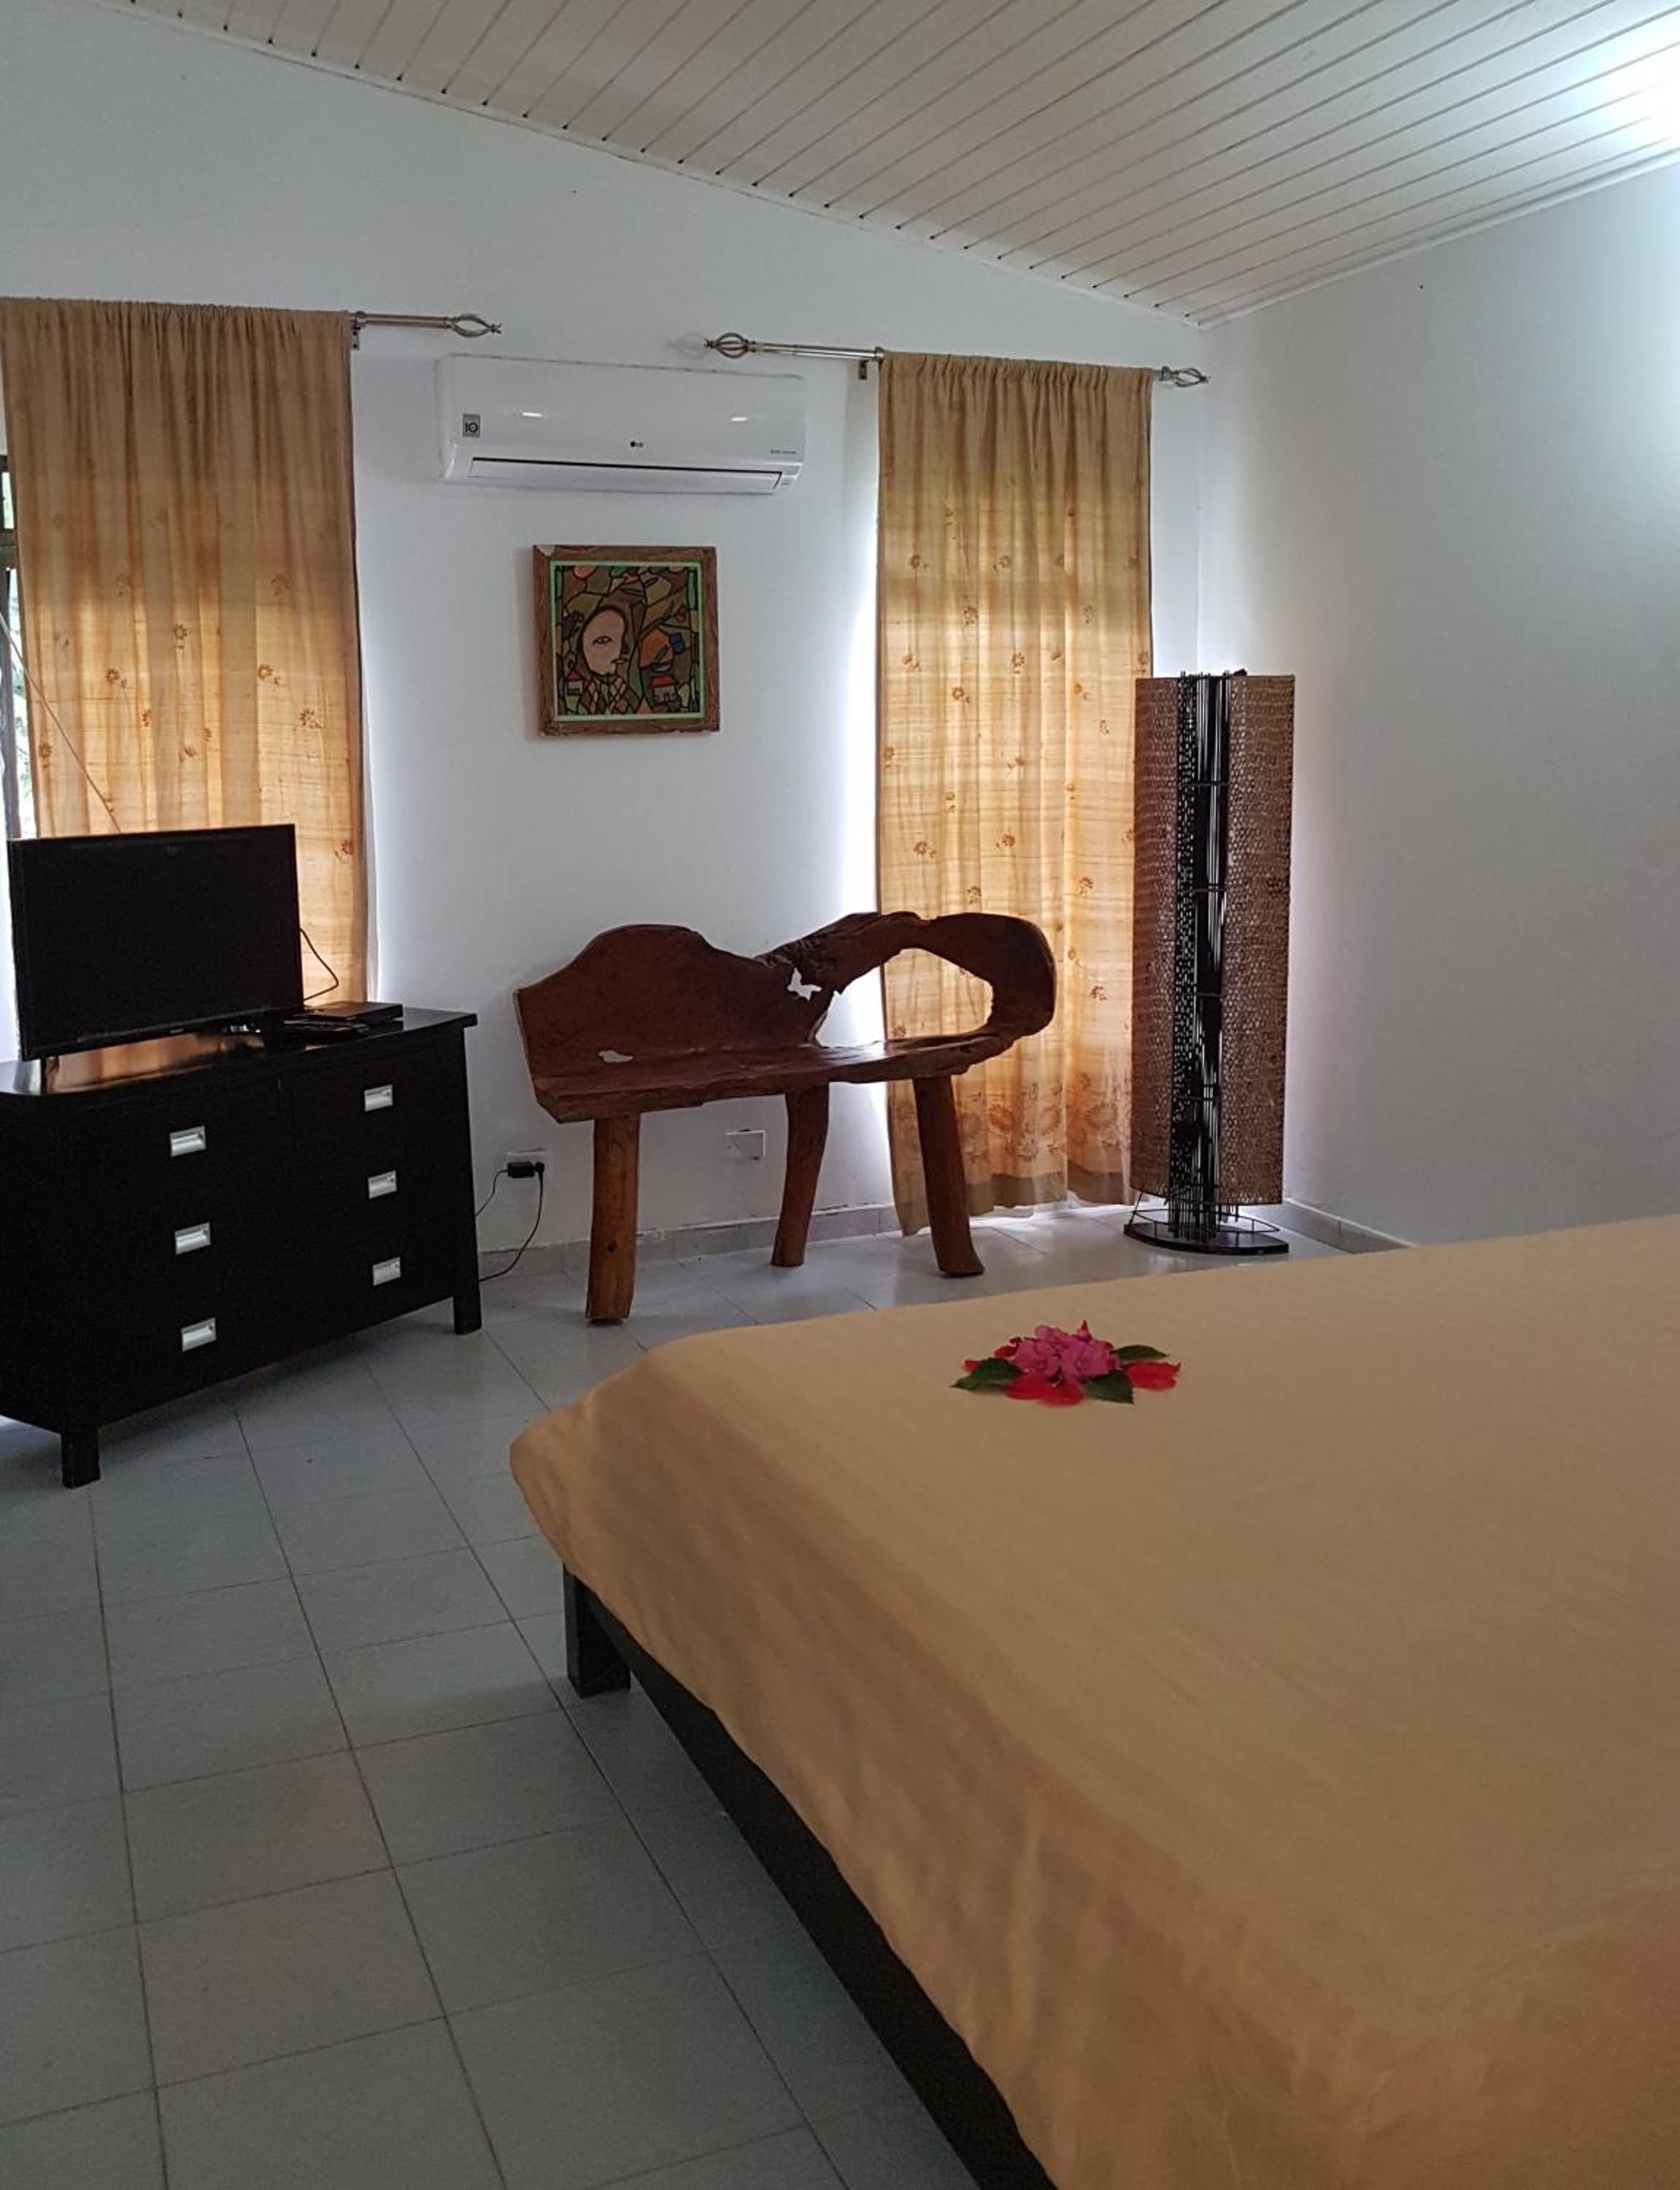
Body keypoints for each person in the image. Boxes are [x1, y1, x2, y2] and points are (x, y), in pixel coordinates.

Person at [561, 593, 652, 716]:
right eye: (602, 641)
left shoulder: (629, 694)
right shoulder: (581, 695)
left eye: (621, 640)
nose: (620, 650)